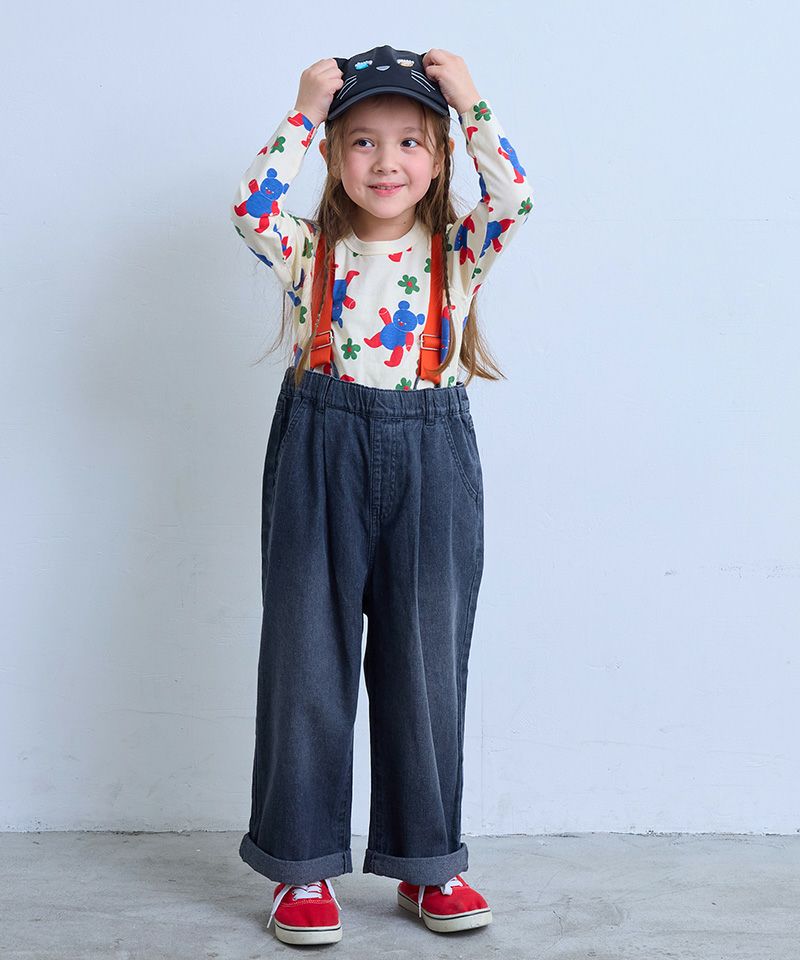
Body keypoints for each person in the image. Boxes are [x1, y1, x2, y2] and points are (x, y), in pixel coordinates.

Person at [229, 44, 532, 945]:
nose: (386, 161)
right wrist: (302, 110)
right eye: (361, 140)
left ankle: (428, 863)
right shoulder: (307, 250)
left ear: (438, 157)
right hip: (319, 451)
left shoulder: (458, 252)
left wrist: (470, 101)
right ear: (332, 155)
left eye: (408, 141)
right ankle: (300, 866)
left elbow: (514, 197)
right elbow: (250, 208)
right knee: (305, 659)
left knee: (425, 663)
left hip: (432, 457)